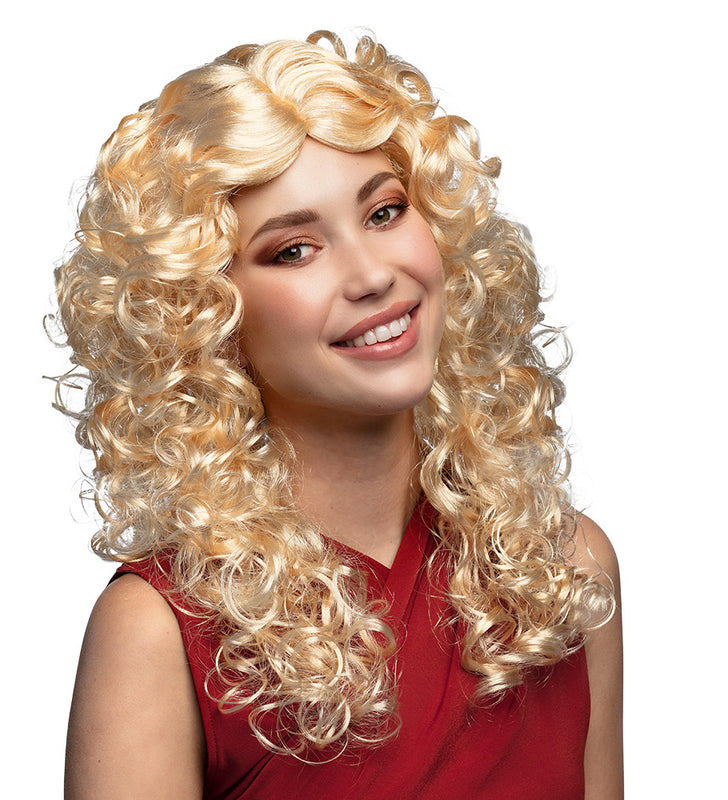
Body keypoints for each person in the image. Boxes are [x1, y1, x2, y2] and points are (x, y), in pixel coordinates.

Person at [55, 30, 623, 799]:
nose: (371, 275)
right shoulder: (159, 632)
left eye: (385, 212)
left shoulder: (564, 570)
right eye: (294, 250)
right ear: (204, 313)